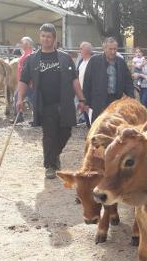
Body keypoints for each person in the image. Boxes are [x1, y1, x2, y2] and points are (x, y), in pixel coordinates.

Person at [17, 23, 88, 179]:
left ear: (54, 39)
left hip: (65, 103)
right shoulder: (32, 59)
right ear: (40, 38)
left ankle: (54, 156)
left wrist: (82, 99)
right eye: (43, 36)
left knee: (66, 132)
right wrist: (20, 99)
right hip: (45, 104)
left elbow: (74, 81)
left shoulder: (64, 58)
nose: (46, 39)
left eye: (49, 36)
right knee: (49, 134)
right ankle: (50, 165)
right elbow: (23, 80)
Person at [82, 36, 134, 123]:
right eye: (110, 49)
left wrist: (131, 98)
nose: (113, 52)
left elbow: (128, 82)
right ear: (104, 48)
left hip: (116, 101)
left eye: (115, 49)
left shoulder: (121, 62)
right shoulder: (94, 61)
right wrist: (86, 102)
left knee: (113, 126)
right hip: (99, 101)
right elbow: (87, 82)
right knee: (98, 126)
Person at [11, 36, 36, 123]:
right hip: (24, 82)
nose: (20, 44)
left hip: (27, 83)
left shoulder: (30, 55)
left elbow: (30, 71)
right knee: (31, 99)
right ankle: (36, 118)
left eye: (22, 43)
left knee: (18, 97)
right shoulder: (26, 54)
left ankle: (19, 116)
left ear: (27, 44)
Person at [76, 41, 93, 127]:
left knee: (90, 112)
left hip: (90, 92)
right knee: (84, 111)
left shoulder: (93, 62)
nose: (79, 51)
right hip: (81, 91)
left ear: (86, 50)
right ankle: (88, 126)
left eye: (81, 49)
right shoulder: (81, 62)